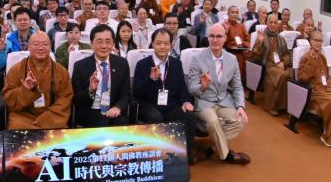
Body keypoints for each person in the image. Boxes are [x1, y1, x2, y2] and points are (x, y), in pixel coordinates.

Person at [187, 24, 250, 165]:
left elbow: (237, 87)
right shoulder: (198, 59)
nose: (215, 40)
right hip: (204, 101)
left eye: (219, 36)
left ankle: (211, 150)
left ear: (225, 38)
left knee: (240, 120)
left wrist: (240, 106)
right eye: (212, 36)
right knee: (213, 121)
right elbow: (191, 88)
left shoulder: (231, 59)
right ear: (208, 38)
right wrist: (202, 86)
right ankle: (228, 156)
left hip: (224, 101)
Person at [132, 28, 197, 160]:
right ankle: (159, 157)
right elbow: (136, 93)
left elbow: (182, 88)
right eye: (158, 43)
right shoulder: (142, 64)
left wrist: (186, 102)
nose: (162, 47)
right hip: (150, 105)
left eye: (166, 43)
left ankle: (185, 156)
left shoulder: (176, 63)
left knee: (189, 116)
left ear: (171, 45)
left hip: (171, 106)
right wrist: (150, 79)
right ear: (152, 44)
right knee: (155, 117)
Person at [2, 32, 73, 130]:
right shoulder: (16, 69)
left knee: (60, 135)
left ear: (50, 47)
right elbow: (8, 98)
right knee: (17, 129)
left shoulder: (61, 71)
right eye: (36, 44)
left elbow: (65, 98)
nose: (40, 48)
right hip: (24, 116)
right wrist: (25, 90)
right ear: (29, 47)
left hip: (52, 116)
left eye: (45, 44)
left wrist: (48, 118)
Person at [71, 24, 130, 127]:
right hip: (90, 110)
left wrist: (118, 107)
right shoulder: (80, 66)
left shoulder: (122, 63)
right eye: (99, 42)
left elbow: (126, 93)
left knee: (122, 123)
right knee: (102, 123)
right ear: (91, 44)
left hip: (113, 109)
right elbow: (77, 99)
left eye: (108, 41)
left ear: (113, 43)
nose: (104, 46)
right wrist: (90, 90)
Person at [298, 31, 331, 147]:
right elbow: (302, 78)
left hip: (326, 90)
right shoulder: (306, 57)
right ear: (311, 41)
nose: (318, 43)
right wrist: (311, 63)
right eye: (316, 40)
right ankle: (326, 135)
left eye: (320, 41)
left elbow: (327, 75)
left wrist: (329, 86)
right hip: (314, 92)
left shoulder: (322, 57)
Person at [250, 13, 292, 116]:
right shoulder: (262, 37)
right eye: (271, 22)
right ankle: (271, 106)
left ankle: (285, 106)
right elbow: (255, 56)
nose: (273, 25)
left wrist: (283, 62)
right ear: (267, 23)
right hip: (268, 66)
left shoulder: (281, 38)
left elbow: (287, 54)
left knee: (291, 73)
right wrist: (260, 42)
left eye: (275, 22)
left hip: (280, 65)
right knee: (282, 75)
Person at [222, 6, 250, 83]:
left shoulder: (241, 26)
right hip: (228, 52)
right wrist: (226, 31)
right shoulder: (224, 25)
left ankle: (240, 83)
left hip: (240, 51)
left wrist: (243, 44)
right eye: (233, 12)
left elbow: (248, 40)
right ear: (228, 14)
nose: (235, 14)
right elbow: (222, 43)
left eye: (237, 12)